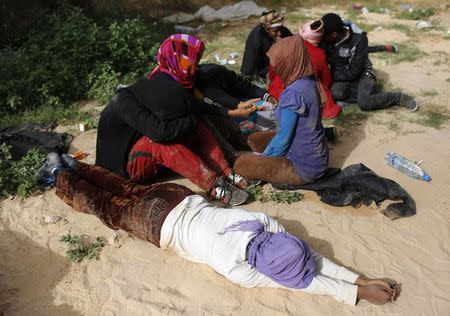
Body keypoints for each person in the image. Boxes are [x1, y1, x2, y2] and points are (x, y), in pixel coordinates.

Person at [39, 152, 397, 306]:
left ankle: (71, 164)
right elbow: (311, 280)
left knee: (124, 187)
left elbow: (309, 258)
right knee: (104, 206)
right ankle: (60, 175)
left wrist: (362, 280)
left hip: (179, 197)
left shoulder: (263, 224)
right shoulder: (239, 270)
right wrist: (355, 292)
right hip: (157, 225)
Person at [95, 34, 253, 206]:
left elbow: (195, 106)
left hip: (143, 147)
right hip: (123, 170)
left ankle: (227, 171)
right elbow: (159, 133)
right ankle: (215, 186)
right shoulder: (125, 102)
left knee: (193, 123)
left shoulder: (158, 88)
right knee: (161, 143)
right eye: (191, 64)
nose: (194, 69)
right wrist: (191, 120)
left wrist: (230, 112)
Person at [234, 36, 329, 185]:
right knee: (254, 139)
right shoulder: (309, 81)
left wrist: (262, 158)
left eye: (278, 63)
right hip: (316, 156)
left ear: (288, 62)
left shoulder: (294, 92)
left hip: (302, 168)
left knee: (240, 165)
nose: (275, 67)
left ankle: (267, 164)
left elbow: (284, 139)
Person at [320, 13, 418, 111]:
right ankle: (363, 95)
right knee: (336, 92)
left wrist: (331, 73)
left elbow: (353, 72)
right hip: (343, 78)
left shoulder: (359, 40)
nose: (321, 36)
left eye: (324, 34)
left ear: (334, 35)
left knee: (365, 103)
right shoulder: (326, 40)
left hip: (363, 75)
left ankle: (398, 98)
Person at [268, 19, 341, 119]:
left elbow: (273, 70)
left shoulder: (285, 43)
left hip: (281, 90)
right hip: (306, 91)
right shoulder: (319, 53)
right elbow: (327, 80)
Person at [241, 10, 292, 78]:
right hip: (263, 72)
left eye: (281, 29)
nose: (279, 33)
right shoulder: (256, 39)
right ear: (267, 29)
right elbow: (248, 71)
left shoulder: (283, 31)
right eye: (276, 31)